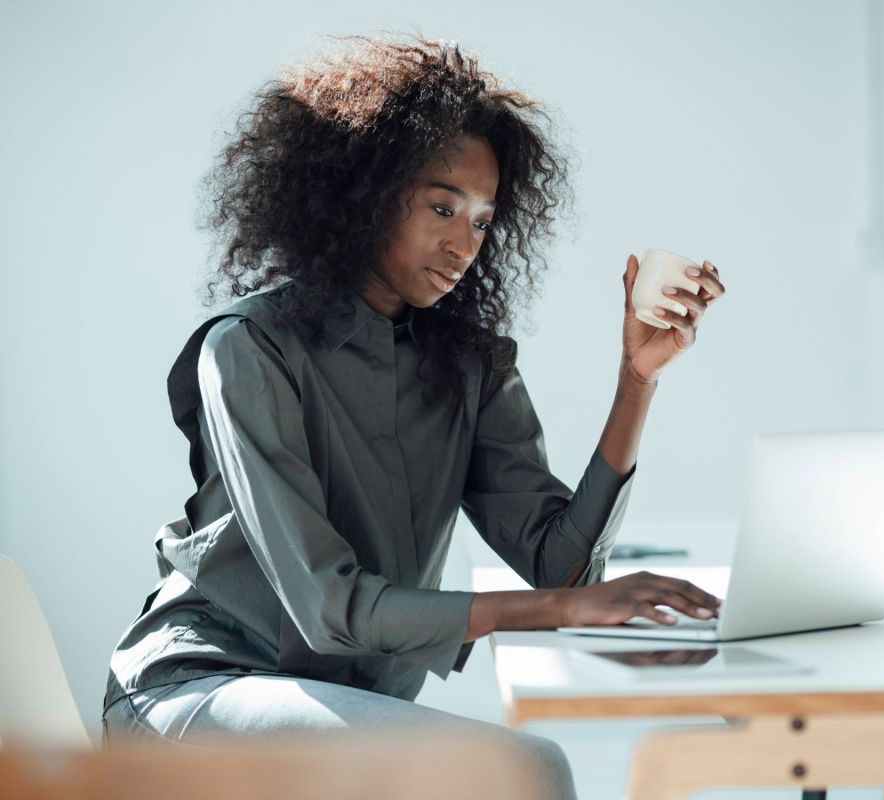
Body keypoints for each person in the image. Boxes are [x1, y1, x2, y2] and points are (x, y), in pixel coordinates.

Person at [101, 34, 725, 799]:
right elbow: (329, 606)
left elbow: (559, 565)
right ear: (363, 194)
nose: (464, 243)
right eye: (442, 206)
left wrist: (636, 380)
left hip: (350, 703)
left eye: (484, 220)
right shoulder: (248, 349)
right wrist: (559, 607)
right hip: (202, 690)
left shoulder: (467, 364)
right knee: (521, 769)